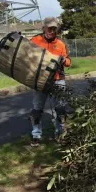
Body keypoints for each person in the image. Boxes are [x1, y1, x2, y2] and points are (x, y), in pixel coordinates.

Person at [29, 17, 71, 146]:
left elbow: (69, 62)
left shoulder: (60, 44)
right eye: (49, 28)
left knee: (60, 109)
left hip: (58, 80)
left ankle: (60, 134)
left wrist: (64, 61)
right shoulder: (35, 40)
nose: (52, 31)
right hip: (40, 80)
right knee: (37, 109)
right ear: (44, 28)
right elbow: (26, 56)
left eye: (54, 28)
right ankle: (36, 135)